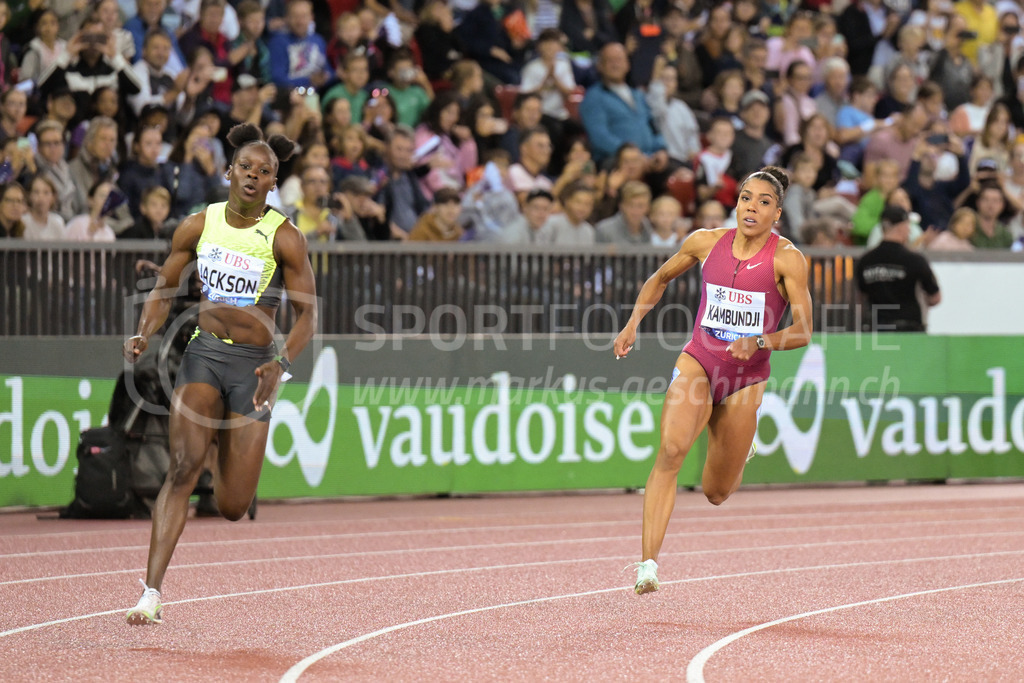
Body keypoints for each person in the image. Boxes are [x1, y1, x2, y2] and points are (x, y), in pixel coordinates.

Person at [123, 122, 317, 626]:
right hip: (204, 353)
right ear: (229, 171)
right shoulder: (197, 224)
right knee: (181, 470)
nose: (253, 177)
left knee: (232, 504)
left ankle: (216, 443)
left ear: (274, 183)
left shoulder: (285, 237)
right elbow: (164, 288)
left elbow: (309, 315)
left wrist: (282, 362)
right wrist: (145, 332)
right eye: (245, 168)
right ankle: (150, 592)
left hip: (253, 370)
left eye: (265, 171)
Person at [614, 166, 813, 594]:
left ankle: (743, 450)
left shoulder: (786, 259)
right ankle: (647, 564)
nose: (751, 208)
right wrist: (633, 322)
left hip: (747, 377)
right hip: (700, 361)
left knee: (716, 492)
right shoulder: (706, 242)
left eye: (763, 202)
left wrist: (760, 339)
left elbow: (803, 331)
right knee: (671, 449)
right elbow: (660, 278)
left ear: (777, 213)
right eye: (745, 198)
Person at [856, 204, 941, 332]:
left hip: (876, 331)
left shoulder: (865, 261)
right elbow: (935, 297)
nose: (910, 231)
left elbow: (861, 297)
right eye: (908, 226)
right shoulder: (914, 260)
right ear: (902, 227)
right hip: (909, 330)